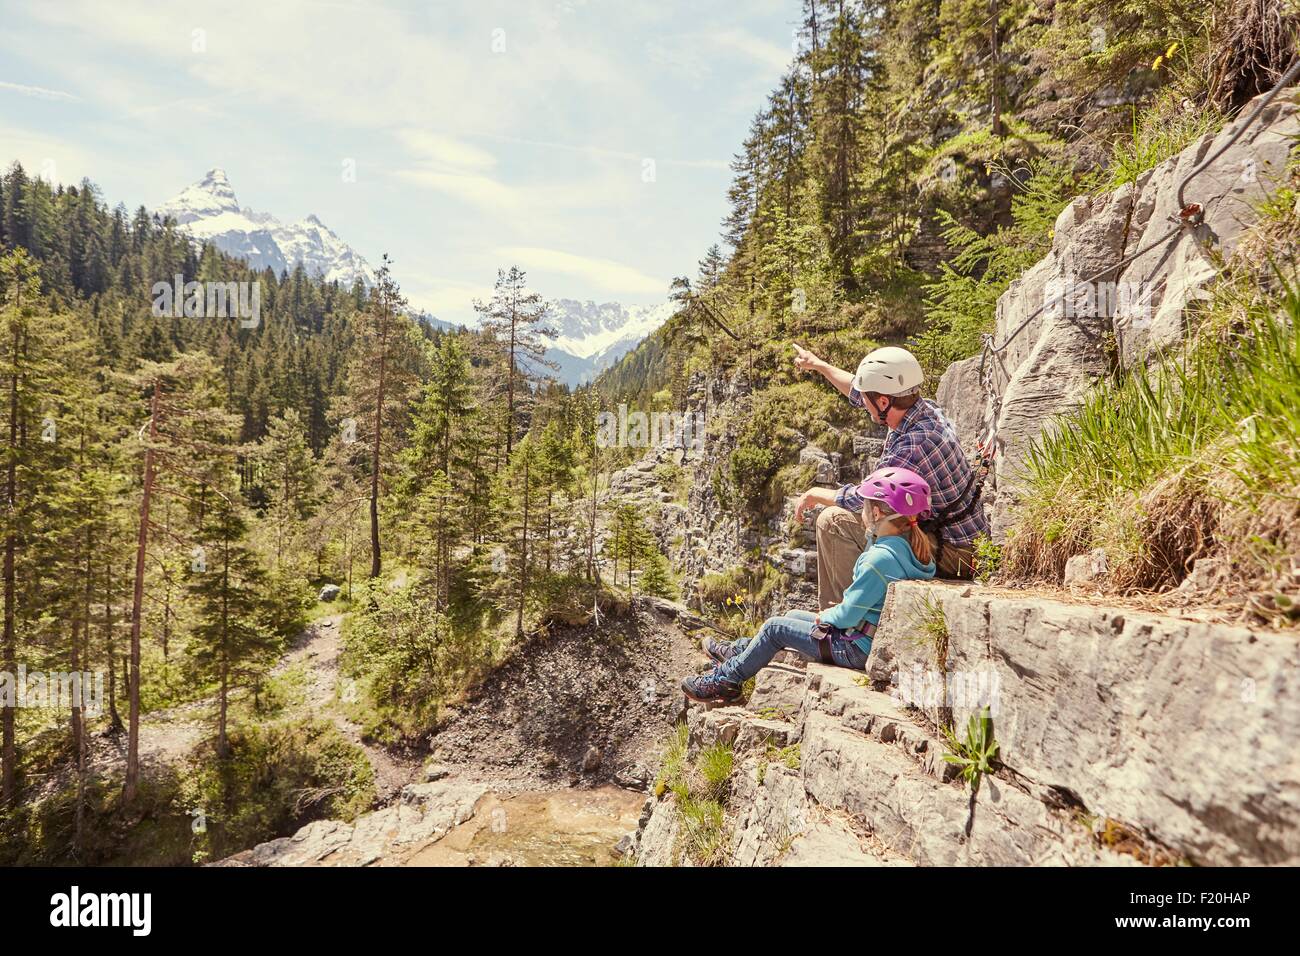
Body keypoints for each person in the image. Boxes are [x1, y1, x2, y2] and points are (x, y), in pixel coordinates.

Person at [681, 468, 937, 704]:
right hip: (864, 636)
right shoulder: (909, 548)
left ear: (877, 513)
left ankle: (727, 680)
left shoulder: (879, 559)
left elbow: (848, 614)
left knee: (775, 628)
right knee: (790, 616)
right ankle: (741, 651)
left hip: (854, 648)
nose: (862, 511)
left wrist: (824, 616)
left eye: (865, 506)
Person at [790, 344, 987, 602]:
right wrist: (819, 365)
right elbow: (857, 390)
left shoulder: (914, 445)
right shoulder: (922, 411)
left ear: (884, 401)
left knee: (833, 521)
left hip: (955, 554)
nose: (862, 402)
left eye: (868, 399)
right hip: (960, 540)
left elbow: (865, 499)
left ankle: (844, 624)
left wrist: (816, 494)